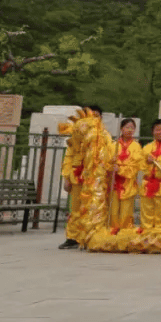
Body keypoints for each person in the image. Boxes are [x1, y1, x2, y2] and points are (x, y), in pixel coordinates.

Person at [58, 104, 103, 249]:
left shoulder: (104, 136)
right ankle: (72, 237)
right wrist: (66, 177)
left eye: (95, 116)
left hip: (95, 178)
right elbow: (69, 157)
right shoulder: (76, 136)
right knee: (75, 208)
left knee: (93, 207)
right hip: (77, 176)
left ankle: (89, 236)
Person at [107, 118, 142, 230]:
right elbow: (105, 164)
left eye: (132, 127)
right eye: (127, 127)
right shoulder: (113, 146)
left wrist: (120, 170)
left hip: (128, 184)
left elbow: (136, 167)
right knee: (112, 212)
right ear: (121, 129)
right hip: (113, 184)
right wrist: (111, 165)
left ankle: (124, 236)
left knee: (126, 213)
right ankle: (112, 236)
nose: (129, 130)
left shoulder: (137, 147)